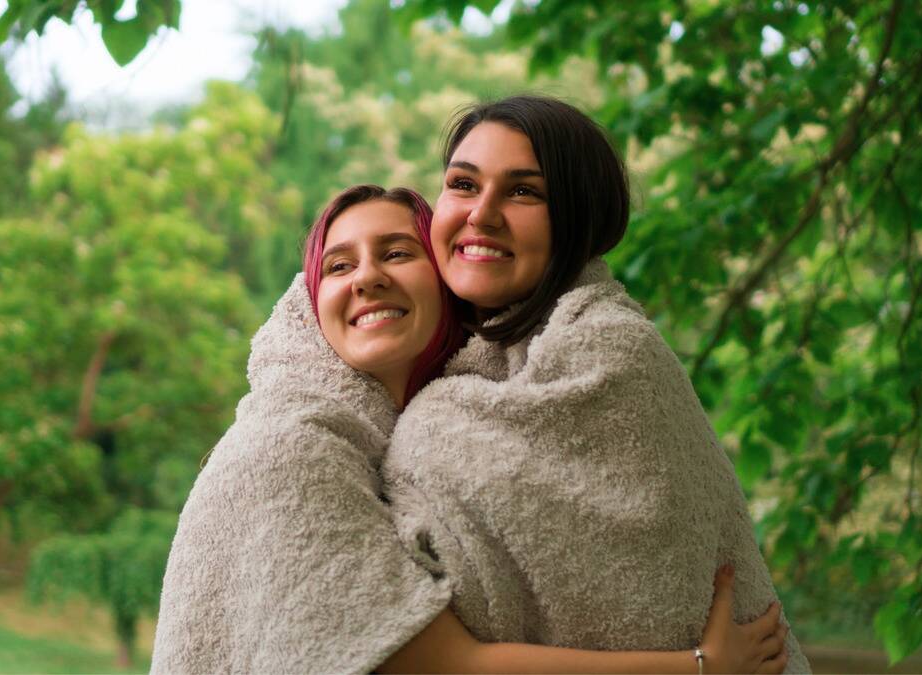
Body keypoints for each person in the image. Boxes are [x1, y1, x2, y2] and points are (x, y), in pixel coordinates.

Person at [151, 183, 788, 674]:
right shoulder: (291, 447)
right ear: (311, 307)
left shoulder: (431, 442)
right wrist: (701, 666)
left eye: (397, 253)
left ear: (448, 282)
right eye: (339, 267)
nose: (368, 276)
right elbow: (442, 667)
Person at [381, 96, 812, 673]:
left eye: (523, 191)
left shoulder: (611, 351)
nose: (481, 214)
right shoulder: (424, 344)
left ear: (577, 220)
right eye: (463, 184)